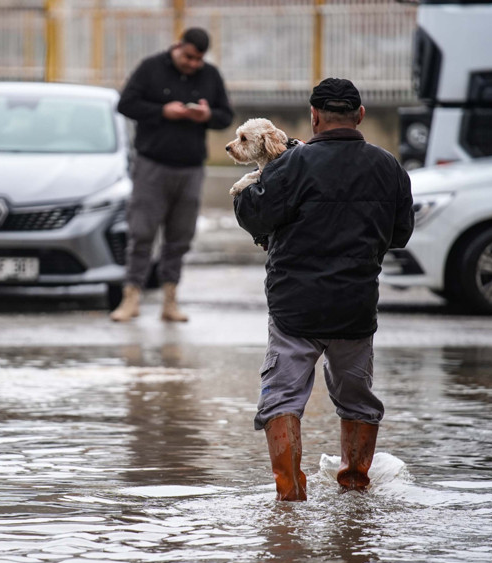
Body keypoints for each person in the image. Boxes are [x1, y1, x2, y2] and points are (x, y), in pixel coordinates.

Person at [233, 78, 414, 501]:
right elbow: (400, 234)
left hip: (294, 307)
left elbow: (256, 217)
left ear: (314, 117)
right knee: (357, 400)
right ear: (361, 116)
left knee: (282, 398)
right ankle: (354, 483)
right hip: (355, 307)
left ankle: (291, 494)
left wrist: (244, 197)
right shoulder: (388, 167)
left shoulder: (291, 165)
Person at [111, 27, 233, 322]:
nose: (193, 64)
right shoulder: (151, 68)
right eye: (189, 56)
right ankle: (131, 298)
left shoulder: (210, 76)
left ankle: (170, 301)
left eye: (198, 59)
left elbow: (226, 116)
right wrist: (163, 111)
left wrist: (207, 116)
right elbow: (125, 103)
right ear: (178, 46)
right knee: (141, 233)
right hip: (152, 165)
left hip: (191, 168)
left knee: (179, 237)